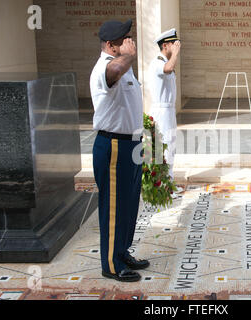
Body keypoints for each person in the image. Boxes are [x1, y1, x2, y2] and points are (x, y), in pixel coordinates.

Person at [90, 19, 149, 282]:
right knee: (113, 207)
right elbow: (113, 72)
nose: (131, 42)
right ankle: (111, 265)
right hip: (113, 145)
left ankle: (122, 251)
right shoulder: (106, 67)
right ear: (112, 45)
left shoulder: (124, 66)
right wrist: (127, 58)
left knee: (128, 204)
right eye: (126, 38)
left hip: (131, 144)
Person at [147, 28, 184, 197]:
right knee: (164, 149)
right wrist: (175, 54)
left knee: (170, 148)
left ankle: (167, 183)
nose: (177, 47)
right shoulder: (158, 63)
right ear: (165, 45)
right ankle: (163, 188)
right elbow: (168, 68)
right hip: (161, 111)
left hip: (168, 111)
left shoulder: (163, 62)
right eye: (173, 44)